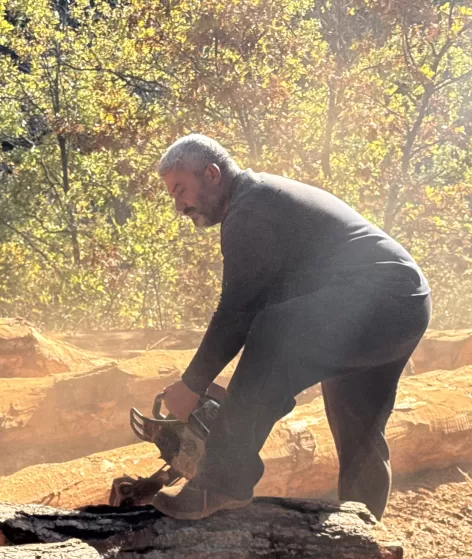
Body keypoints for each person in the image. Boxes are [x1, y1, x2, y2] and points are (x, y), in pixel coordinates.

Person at [154, 134, 431, 521]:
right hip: (405, 303)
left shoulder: (249, 210)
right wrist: (234, 397)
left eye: (181, 190)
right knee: (360, 430)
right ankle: (365, 543)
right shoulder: (261, 199)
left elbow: (238, 312)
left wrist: (193, 384)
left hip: (378, 300)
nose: (179, 206)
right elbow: (265, 307)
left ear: (212, 174)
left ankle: (221, 484)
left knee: (273, 330)